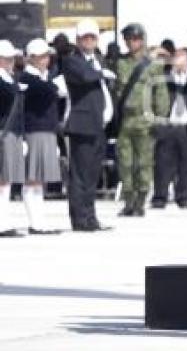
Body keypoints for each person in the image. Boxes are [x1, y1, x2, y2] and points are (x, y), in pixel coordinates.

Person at [61, 19, 115, 232]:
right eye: (85, 37)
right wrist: (102, 73)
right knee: (80, 175)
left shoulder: (98, 60)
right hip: (82, 125)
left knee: (92, 174)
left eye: (93, 37)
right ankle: (80, 219)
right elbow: (84, 76)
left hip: (98, 125)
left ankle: (91, 217)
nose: (89, 41)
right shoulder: (72, 60)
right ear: (78, 40)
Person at [114, 23, 168, 217]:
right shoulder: (120, 63)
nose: (131, 43)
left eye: (135, 39)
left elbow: (160, 93)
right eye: (128, 39)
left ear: (142, 40)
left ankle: (140, 201)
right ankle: (128, 201)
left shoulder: (153, 66)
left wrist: (160, 119)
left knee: (144, 163)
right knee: (125, 162)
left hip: (145, 120)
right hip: (126, 120)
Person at [18, 38, 65, 235]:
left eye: (47, 56)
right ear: (31, 59)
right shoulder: (28, 79)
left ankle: (40, 220)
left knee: (40, 180)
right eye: (41, 56)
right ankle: (35, 222)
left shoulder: (44, 78)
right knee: (32, 179)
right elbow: (49, 91)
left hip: (47, 131)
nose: (46, 60)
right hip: (34, 131)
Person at [153, 48, 187, 209]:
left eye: (184, 58)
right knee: (163, 162)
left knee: (186, 164)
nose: (180, 62)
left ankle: (184, 196)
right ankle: (160, 196)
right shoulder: (165, 79)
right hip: (169, 124)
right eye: (177, 58)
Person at [0, 41, 25, 237]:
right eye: (6, 58)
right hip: (3, 132)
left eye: (11, 59)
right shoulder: (4, 81)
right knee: (2, 180)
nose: (9, 62)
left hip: (11, 133)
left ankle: (4, 221)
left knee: (6, 180)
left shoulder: (10, 78)